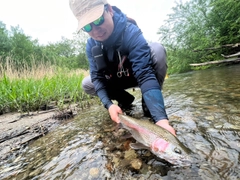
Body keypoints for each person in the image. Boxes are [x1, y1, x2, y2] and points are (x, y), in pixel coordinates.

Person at [69, 0, 176, 136]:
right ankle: (125, 100)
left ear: (110, 10)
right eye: (88, 27)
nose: (95, 31)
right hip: (116, 80)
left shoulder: (131, 31)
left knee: (157, 50)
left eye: (97, 20)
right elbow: (96, 77)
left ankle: (149, 104)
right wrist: (109, 105)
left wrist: (161, 120)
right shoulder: (91, 45)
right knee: (87, 83)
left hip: (138, 76)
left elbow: (144, 73)